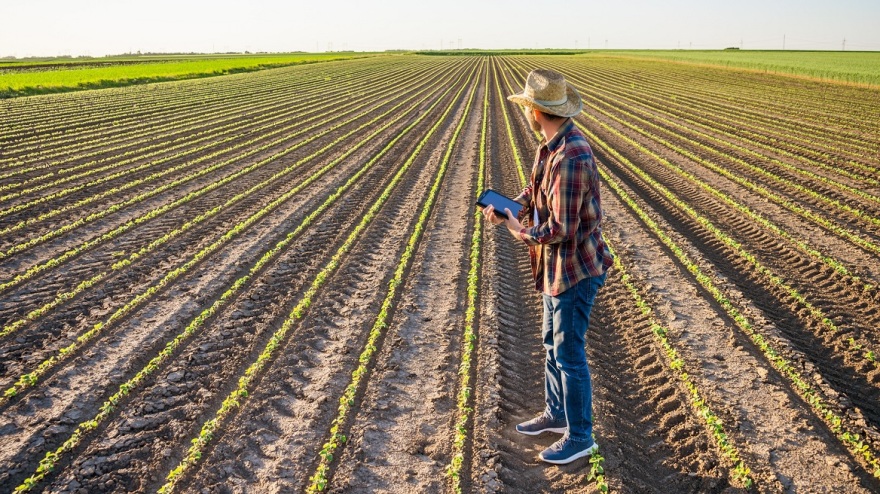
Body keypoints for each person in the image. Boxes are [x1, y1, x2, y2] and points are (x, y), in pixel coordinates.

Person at [481, 68, 613, 465]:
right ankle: (557, 415)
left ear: (535, 111)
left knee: (569, 353)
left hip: (573, 268)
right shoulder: (551, 144)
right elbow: (535, 187)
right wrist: (513, 203)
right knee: (551, 345)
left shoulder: (572, 154)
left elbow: (561, 228)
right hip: (554, 269)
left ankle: (580, 436)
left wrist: (519, 231)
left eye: (528, 106)